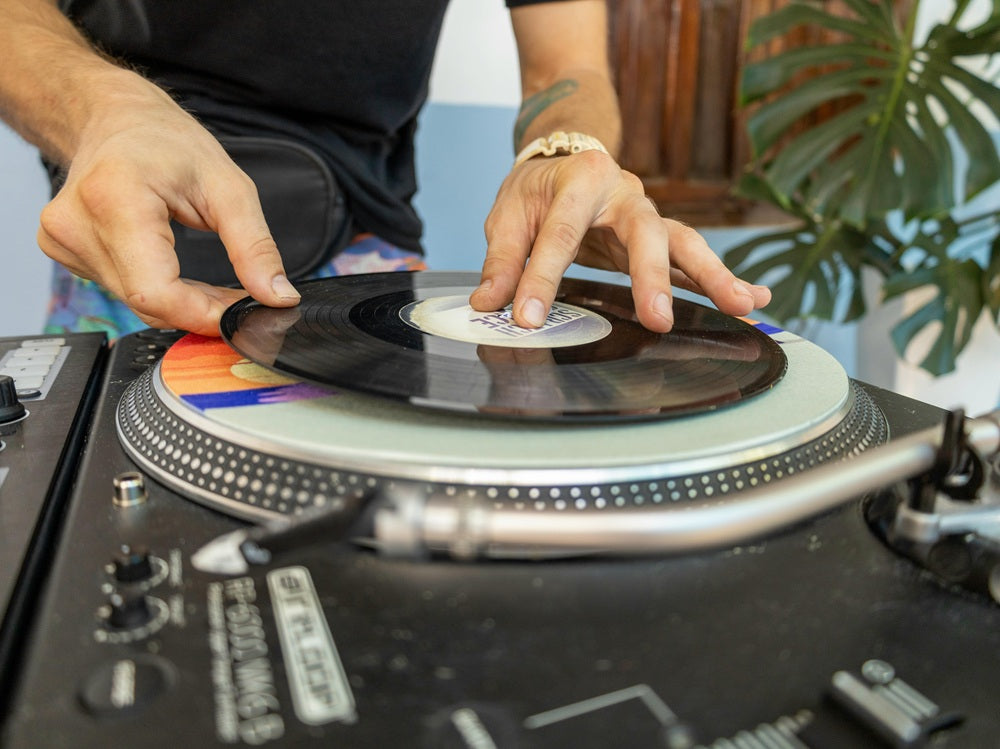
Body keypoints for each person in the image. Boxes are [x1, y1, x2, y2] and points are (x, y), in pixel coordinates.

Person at [0, 0, 770, 340]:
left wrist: (566, 148)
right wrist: (103, 105)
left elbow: (566, 67)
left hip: (368, 267)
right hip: (124, 240)